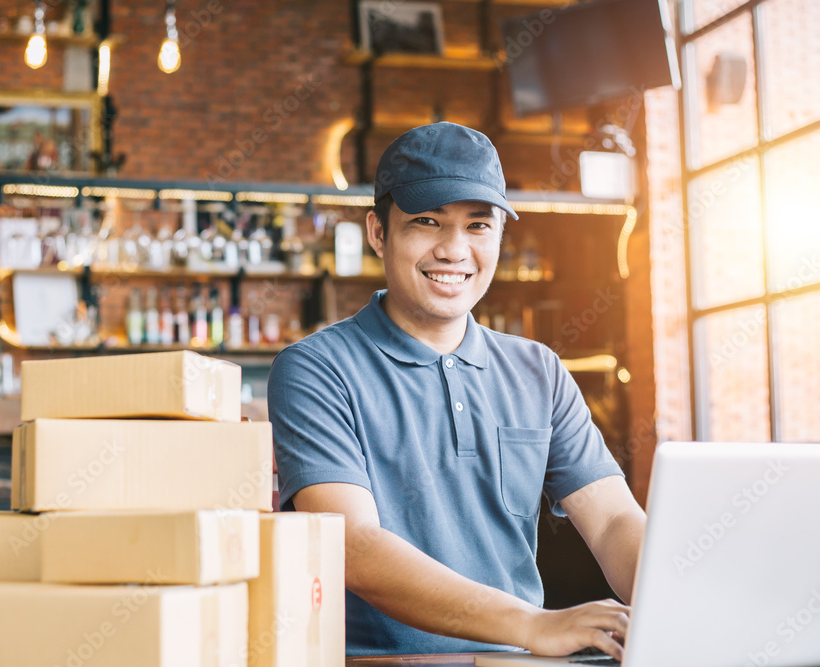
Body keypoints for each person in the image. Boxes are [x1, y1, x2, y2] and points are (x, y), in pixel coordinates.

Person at [267, 122, 647, 657]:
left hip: (513, 661)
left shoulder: (538, 369)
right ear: (378, 232)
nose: (454, 249)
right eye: (427, 222)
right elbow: (353, 545)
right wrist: (534, 625)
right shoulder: (315, 370)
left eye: (478, 225)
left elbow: (612, 521)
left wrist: (678, 603)